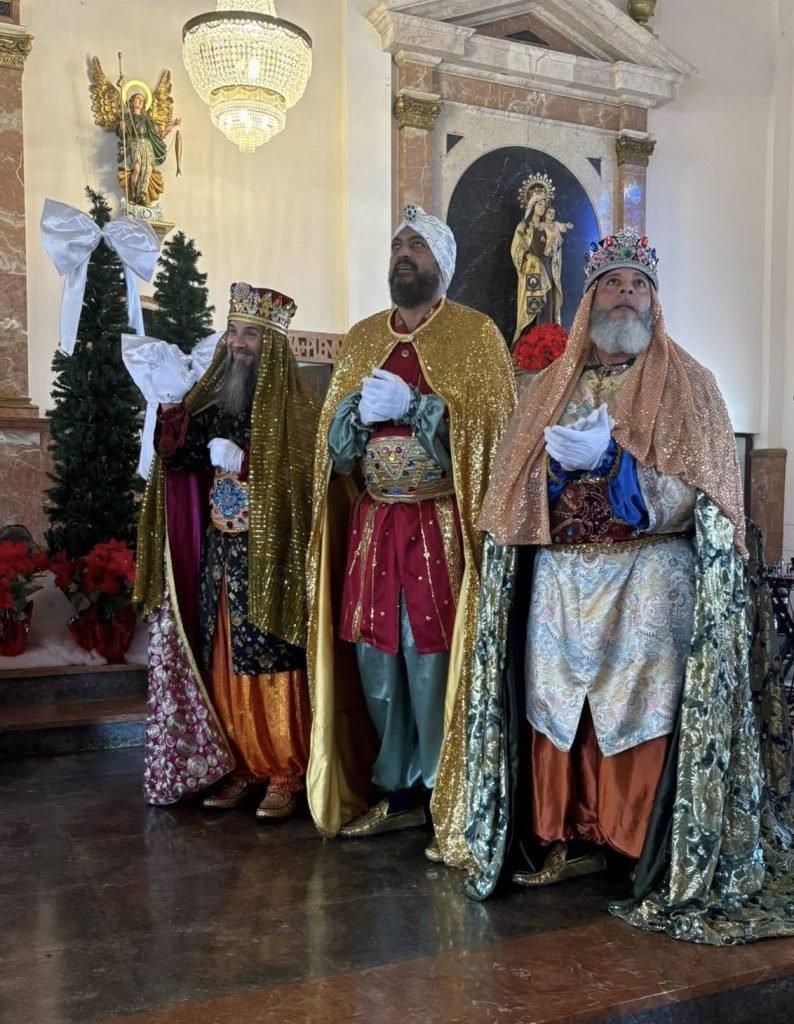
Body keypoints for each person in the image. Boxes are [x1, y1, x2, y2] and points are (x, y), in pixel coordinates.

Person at [463, 228, 794, 944]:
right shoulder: (549, 387)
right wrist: (556, 471)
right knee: (558, 704)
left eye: (637, 285)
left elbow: (709, 489)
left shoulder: (690, 384)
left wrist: (622, 473)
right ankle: (567, 833)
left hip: (648, 577)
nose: (625, 295)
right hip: (562, 581)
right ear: (589, 300)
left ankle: (634, 840)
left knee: (639, 708)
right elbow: (510, 485)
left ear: (654, 301)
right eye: (612, 283)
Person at [305, 204, 515, 865]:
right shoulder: (363, 338)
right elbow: (333, 450)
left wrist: (422, 408)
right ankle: (395, 788)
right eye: (398, 244)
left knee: (432, 656)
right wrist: (352, 417)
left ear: (441, 264)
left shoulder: (476, 336)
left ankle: (439, 787)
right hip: (373, 523)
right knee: (376, 655)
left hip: (438, 523)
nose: (404, 253)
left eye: (417, 245)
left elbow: (494, 433)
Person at [134, 282, 319, 818]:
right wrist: (172, 408)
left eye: (250, 335)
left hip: (271, 559)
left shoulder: (298, 410)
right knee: (224, 660)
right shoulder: (218, 405)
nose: (238, 343)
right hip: (221, 556)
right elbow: (179, 460)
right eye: (233, 331)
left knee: (271, 660)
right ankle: (240, 766)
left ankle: (285, 768)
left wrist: (249, 461)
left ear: (272, 345)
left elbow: (306, 483)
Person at [119, 90, 180, 208]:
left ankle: (142, 194)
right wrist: (122, 127)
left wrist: (174, 124)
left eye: (142, 100)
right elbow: (123, 133)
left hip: (147, 145)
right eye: (138, 99)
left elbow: (159, 132)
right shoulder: (127, 117)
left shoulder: (147, 119)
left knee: (149, 169)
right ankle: (133, 193)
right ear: (132, 102)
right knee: (137, 169)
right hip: (135, 143)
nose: (140, 101)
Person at [511, 192, 555, 341]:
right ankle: (529, 344)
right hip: (532, 271)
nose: (542, 207)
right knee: (533, 307)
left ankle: (546, 342)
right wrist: (528, 257)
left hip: (547, 270)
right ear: (532, 205)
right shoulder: (524, 226)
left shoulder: (547, 227)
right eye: (539, 204)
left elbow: (554, 249)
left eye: (544, 205)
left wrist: (553, 248)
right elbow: (515, 250)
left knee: (546, 307)